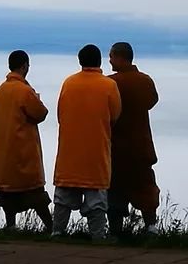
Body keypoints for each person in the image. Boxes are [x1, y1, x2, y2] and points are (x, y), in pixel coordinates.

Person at [51, 44, 122, 240]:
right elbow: (115, 115)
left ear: (80, 61)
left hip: (69, 150)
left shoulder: (69, 83)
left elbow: (60, 113)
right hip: (96, 149)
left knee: (64, 195)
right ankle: (97, 236)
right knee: (96, 197)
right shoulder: (108, 85)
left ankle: (57, 231)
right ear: (99, 61)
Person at [0, 49, 53, 232]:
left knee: (8, 193)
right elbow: (40, 113)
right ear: (25, 66)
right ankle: (52, 228)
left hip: (4, 151)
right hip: (23, 151)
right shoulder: (23, 90)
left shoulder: (0, 91)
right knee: (35, 193)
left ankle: (10, 226)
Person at [107, 42, 161, 235]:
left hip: (116, 148)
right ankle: (151, 227)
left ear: (120, 57)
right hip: (141, 146)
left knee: (114, 191)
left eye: (111, 56)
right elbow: (152, 101)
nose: (110, 60)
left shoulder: (110, 83)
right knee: (146, 187)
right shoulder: (145, 81)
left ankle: (115, 231)